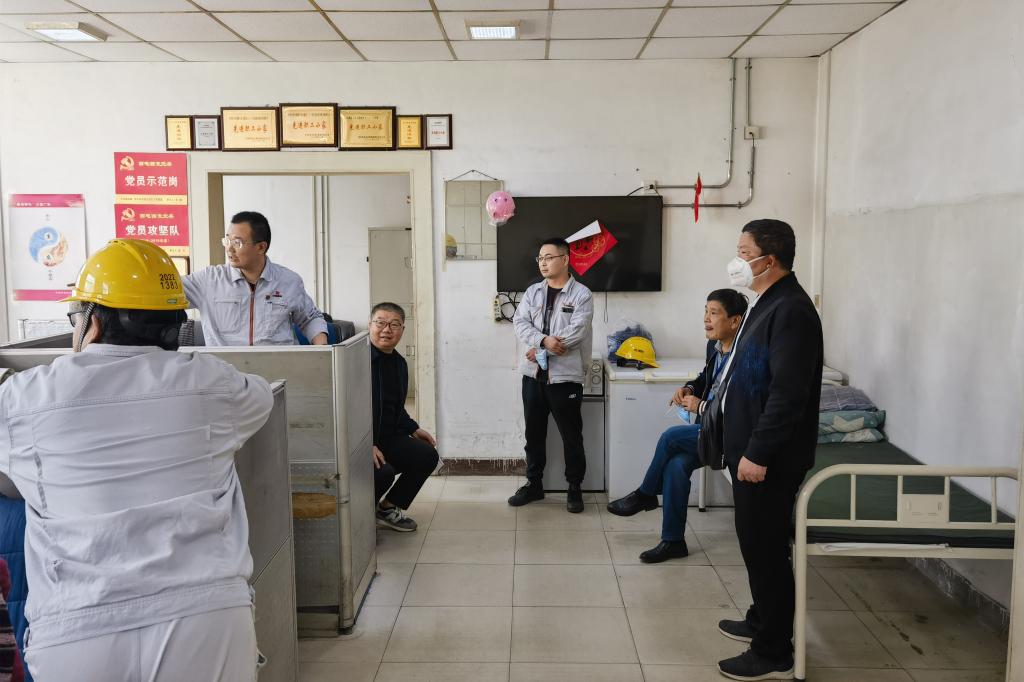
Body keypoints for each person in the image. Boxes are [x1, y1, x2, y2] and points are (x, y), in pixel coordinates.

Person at [0, 239, 274, 681]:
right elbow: (261, 397)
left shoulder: (25, 396)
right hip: (206, 615)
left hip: (80, 627)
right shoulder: (214, 383)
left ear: (92, 322)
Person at [714, 219, 824, 681]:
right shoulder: (767, 303)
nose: (736, 260)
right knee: (755, 545)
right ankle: (762, 619)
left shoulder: (792, 310)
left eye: (744, 253)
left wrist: (758, 452)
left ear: (769, 259)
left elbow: (788, 393)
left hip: (770, 459)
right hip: (749, 449)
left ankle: (773, 649)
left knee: (766, 551)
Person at [606, 289, 748, 563]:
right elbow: (705, 377)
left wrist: (701, 406)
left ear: (735, 321)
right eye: (705, 311)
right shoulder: (715, 347)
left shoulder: (745, 356)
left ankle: (645, 494)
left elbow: (740, 407)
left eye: (714, 313)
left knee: (671, 437)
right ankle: (673, 542)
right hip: (710, 430)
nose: (706, 319)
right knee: (676, 465)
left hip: (729, 433)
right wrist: (688, 389)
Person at [508, 238, 594, 513]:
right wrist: (543, 342)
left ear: (565, 259)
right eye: (540, 258)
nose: (543, 263)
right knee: (533, 435)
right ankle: (534, 484)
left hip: (565, 378)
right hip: (533, 377)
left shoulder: (582, 294)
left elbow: (577, 332)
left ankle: (574, 487)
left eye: (549, 257)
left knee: (572, 436)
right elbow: (520, 323)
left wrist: (542, 350)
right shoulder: (533, 292)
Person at [183, 210, 328, 346]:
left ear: (261, 247)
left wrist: (322, 353)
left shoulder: (288, 281)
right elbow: (171, 292)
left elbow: (310, 319)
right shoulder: (209, 280)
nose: (229, 249)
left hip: (278, 363)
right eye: (227, 241)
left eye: (237, 243)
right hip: (224, 364)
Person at [369, 302, 439, 532]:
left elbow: (396, 407)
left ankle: (387, 508)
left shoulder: (399, 363)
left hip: (387, 438)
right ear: (370, 325)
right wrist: (366, 444)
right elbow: (344, 410)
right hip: (360, 443)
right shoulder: (356, 362)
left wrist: (413, 428)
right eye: (380, 323)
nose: (386, 330)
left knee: (427, 455)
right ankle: (360, 519)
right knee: (383, 474)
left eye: (394, 324)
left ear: (402, 329)